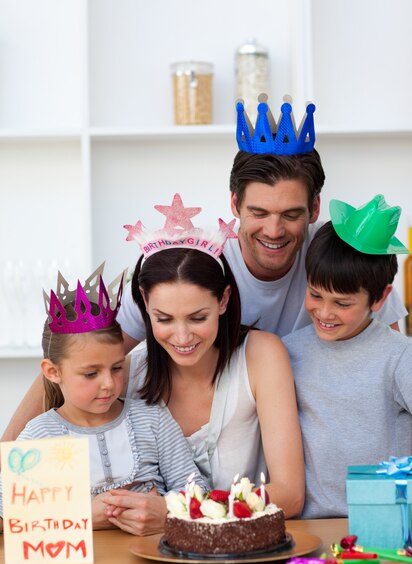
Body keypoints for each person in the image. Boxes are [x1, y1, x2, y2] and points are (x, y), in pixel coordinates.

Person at [2, 96, 405, 441]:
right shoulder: (197, 262)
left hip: (314, 439)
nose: (274, 230)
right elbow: (79, 356)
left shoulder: (338, 259)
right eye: (258, 212)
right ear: (234, 205)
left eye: (291, 214)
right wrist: (8, 450)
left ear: (315, 209)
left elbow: (385, 364)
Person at [100, 205, 304, 534]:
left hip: (246, 556)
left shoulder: (261, 357)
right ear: (143, 301)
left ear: (223, 300)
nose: (182, 337)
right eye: (163, 319)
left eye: (198, 318)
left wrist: (175, 510)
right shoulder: (127, 375)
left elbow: (290, 495)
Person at [0, 267, 206, 532]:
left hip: (155, 559)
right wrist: (82, 515)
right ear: (53, 372)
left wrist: (165, 508)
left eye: (117, 368)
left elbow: (197, 490)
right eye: (91, 373)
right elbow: (9, 514)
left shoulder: (152, 418)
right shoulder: (40, 435)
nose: (109, 383)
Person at [282, 195, 412, 519]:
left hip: (383, 527)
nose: (324, 312)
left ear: (380, 297)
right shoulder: (287, 352)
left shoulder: (399, 356)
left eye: (342, 304)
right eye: (315, 294)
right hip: (308, 527)